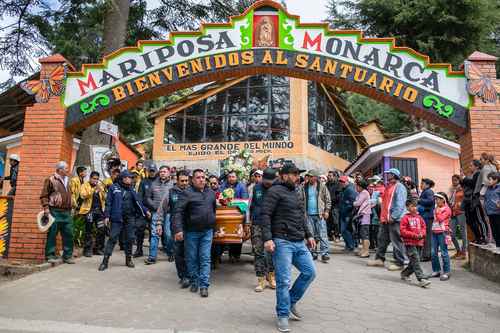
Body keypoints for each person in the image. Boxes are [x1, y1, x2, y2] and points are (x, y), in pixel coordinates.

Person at [261, 163, 316, 333]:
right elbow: (265, 215)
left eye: (298, 174)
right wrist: (268, 239)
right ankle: (283, 315)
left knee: (310, 272)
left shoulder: (297, 191)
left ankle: (290, 301)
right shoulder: (274, 191)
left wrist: (309, 235)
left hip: (299, 240)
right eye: (293, 174)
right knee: (283, 281)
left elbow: (302, 215)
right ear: (283, 175)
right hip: (282, 241)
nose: (297, 177)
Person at [172, 169, 216, 298]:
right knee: (191, 258)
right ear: (193, 180)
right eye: (198, 177)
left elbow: (213, 210)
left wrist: (214, 227)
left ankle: (204, 285)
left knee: (205, 258)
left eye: (203, 177)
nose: (201, 179)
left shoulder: (211, 193)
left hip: (207, 231)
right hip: (191, 232)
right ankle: (194, 281)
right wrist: (178, 230)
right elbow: (177, 212)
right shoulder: (186, 193)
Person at [99, 171, 150, 271]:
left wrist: (145, 211)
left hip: (129, 218)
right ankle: (105, 261)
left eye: (131, 178)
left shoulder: (132, 189)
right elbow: (108, 202)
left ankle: (128, 259)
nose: (130, 179)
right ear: (123, 178)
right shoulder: (114, 188)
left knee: (130, 238)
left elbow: (138, 202)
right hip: (116, 218)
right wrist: (106, 216)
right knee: (113, 238)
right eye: (129, 177)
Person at [367, 168, 407, 271]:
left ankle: (400, 262)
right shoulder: (389, 186)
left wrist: (394, 216)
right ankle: (379, 259)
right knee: (382, 239)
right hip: (385, 219)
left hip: (394, 219)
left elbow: (400, 204)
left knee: (396, 241)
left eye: (389, 174)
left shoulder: (399, 187)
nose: (387, 175)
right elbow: (385, 201)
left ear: (394, 175)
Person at [157, 169, 191, 287]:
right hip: (176, 227)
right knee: (179, 252)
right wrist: (159, 224)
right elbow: (161, 209)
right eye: (182, 181)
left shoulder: (193, 192)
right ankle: (183, 276)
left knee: (190, 253)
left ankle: (191, 275)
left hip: (191, 227)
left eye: (186, 180)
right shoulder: (170, 193)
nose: (184, 183)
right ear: (177, 180)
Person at [40, 161, 74, 264]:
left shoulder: (69, 180)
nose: (68, 170)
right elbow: (44, 195)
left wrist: (72, 207)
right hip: (54, 211)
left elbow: (71, 195)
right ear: (60, 170)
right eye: (66, 168)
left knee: (69, 233)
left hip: (67, 212)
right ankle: (50, 255)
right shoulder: (50, 179)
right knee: (52, 233)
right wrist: (46, 208)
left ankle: (67, 256)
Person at [249, 168, 277, 292]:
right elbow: (252, 205)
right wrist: (248, 221)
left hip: (273, 225)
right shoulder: (256, 188)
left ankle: (271, 277)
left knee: (272, 252)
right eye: (266, 180)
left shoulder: (277, 188)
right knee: (258, 252)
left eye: (270, 181)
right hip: (257, 224)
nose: (268, 183)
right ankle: (261, 280)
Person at [144, 165, 174, 264]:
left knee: (168, 235)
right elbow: (147, 197)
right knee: (154, 234)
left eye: (164, 171)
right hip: (156, 213)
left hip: (169, 213)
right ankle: (152, 257)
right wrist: (154, 206)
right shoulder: (153, 184)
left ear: (169, 173)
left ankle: (171, 253)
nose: (162, 173)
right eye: (161, 171)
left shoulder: (173, 185)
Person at [400, 199, 430, 288]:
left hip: (419, 242)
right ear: (407, 207)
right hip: (410, 243)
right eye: (412, 206)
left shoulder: (419, 218)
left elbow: (424, 227)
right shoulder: (405, 218)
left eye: (415, 206)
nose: (414, 208)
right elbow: (403, 231)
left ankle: (405, 274)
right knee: (415, 259)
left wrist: (422, 234)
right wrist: (414, 235)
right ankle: (421, 279)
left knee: (415, 260)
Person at [220, 170, 248, 262]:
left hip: (239, 214)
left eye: (233, 177)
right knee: (228, 235)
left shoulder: (242, 186)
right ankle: (230, 254)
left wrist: (233, 202)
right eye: (229, 177)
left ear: (237, 178)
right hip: (226, 214)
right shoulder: (223, 185)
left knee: (238, 234)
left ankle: (236, 255)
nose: (231, 178)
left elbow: (244, 201)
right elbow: (219, 197)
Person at [303, 170, 331, 262]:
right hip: (308, 215)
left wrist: (326, 211)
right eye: (308, 176)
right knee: (311, 235)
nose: (309, 178)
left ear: (316, 177)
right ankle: (312, 253)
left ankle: (325, 254)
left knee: (323, 235)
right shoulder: (304, 187)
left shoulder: (322, 186)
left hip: (320, 214)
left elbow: (328, 200)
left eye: (311, 176)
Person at [79, 171, 106, 257]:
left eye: (97, 179)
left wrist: (102, 191)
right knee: (89, 231)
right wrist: (93, 190)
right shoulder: (85, 186)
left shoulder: (100, 186)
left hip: (99, 212)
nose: (96, 181)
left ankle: (98, 249)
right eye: (94, 179)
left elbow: (105, 198)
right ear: (90, 178)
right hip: (89, 211)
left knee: (101, 229)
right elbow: (82, 195)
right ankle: (87, 250)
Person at [134, 165, 157, 258]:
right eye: (150, 171)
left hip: (155, 211)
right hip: (144, 210)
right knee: (139, 229)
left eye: (153, 171)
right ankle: (139, 249)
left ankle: (154, 251)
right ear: (148, 171)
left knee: (154, 232)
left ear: (156, 171)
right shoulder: (143, 182)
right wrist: (145, 210)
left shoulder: (159, 182)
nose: (152, 172)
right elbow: (139, 198)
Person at [462, 160, 487, 244]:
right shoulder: (471, 175)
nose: (469, 167)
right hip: (469, 201)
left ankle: (484, 237)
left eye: (471, 165)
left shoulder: (478, 173)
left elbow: (473, 184)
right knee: (470, 221)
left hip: (475, 200)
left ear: (476, 166)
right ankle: (478, 237)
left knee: (479, 220)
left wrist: (464, 178)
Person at [476, 153, 498, 243]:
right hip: (491, 192)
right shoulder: (494, 167)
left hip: (484, 193)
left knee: (487, 217)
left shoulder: (485, 168)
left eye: (481, 159)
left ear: (486, 160)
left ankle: (491, 237)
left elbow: (486, 181)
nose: (480, 161)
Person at [429, 192, 452, 281]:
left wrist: (437, 212)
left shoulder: (447, 209)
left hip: (443, 232)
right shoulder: (436, 208)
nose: (436, 201)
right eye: (435, 199)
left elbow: (441, 219)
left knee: (444, 253)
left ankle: (446, 272)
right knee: (433, 253)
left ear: (443, 200)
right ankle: (436, 270)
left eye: (438, 199)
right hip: (434, 232)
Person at [449, 174, 467, 259]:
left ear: (459, 180)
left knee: (463, 232)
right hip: (453, 212)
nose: (453, 182)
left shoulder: (463, 188)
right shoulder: (451, 189)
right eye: (452, 180)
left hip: (461, 212)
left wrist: (461, 203)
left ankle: (464, 252)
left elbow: (466, 199)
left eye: (455, 180)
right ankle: (458, 251)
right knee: (451, 233)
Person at [418, 178, 435, 261]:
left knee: (427, 236)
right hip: (425, 216)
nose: (421, 185)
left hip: (428, 216)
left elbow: (430, 201)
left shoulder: (429, 191)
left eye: (422, 184)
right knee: (426, 236)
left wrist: (419, 200)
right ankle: (427, 254)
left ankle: (427, 255)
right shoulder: (425, 192)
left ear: (427, 185)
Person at [338, 175, 357, 252]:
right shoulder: (344, 189)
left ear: (347, 181)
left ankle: (351, 246)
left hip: (347, 213)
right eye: (340, 181)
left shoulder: (349, 189)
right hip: (344, 212)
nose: (341, 183)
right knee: (345, 230)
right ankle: (348, 245)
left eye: (343, 181)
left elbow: (352, 202)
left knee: (345, 230)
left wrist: (345, 210)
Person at [353, 179, 371, 258]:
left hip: (364, 215)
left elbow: (358, 203)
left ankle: (366, 251)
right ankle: (363, 250)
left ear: (360, 186)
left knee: (365, 234)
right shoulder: (362, 193)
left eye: (357, 186)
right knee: (362, 233)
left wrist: (354, 203)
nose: (356, 187)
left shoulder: (364, 193)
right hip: (362, 215)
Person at [367, 175, 385, 250]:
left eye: (374, 180)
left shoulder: (381, 189)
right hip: (372, 213)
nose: (372, 182)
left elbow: (380, 201)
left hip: (378, 214)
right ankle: (373, 245)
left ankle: (378, 245)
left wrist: (370, 202)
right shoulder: (373, 190)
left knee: (377, 230)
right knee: (372, 230)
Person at [484, 172, 500, 248]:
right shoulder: (488, 189)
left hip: (498, 213)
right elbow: (486, 199)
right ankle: (498, 246)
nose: (488, 181)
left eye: (489, 179)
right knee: (494, 231)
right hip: (490, 213)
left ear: (496, 180)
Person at [325, 170, 341, 241]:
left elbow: (339, 196)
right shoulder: (326, 184)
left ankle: (337, 235)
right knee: (328, 221)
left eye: (330, 176)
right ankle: (330, 235)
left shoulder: (338, 184)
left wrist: (331, 200)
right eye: (328, 176)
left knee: (335, 222)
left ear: (334, 176)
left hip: (335, 206)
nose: (329, 177)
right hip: (328, 206)